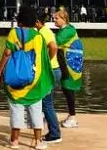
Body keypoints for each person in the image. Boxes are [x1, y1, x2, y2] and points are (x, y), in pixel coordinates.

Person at [0, 6, 53, 150]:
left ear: (20, 21)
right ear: (34, 22)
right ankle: (38, 141)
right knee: (36, 110)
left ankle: (14, 141)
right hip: (33, 81)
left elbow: (7, 52)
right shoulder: (38, 37)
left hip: (14, 79)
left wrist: (0, 71)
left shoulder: (13, 33)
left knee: (16, 110)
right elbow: (42, 59)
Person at [54, 8, 83, 129]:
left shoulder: (68, 31)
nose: (54, 20)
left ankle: (72, 117)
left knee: (68, 89)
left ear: (64, 19)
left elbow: (55, 42)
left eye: (56, 18)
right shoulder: (65, 30)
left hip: (70, 65)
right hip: (67, 63)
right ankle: (71, 115)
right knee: (67, 89)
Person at [35, 12, 62, 143]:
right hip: (54, 70)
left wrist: (48, 61)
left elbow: (53, 47)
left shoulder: (43, 33)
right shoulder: (45, 31)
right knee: (46, 103)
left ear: (37, 22)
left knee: (47, 104)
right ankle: (52, 131)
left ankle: (55, 134)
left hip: (50, 70)